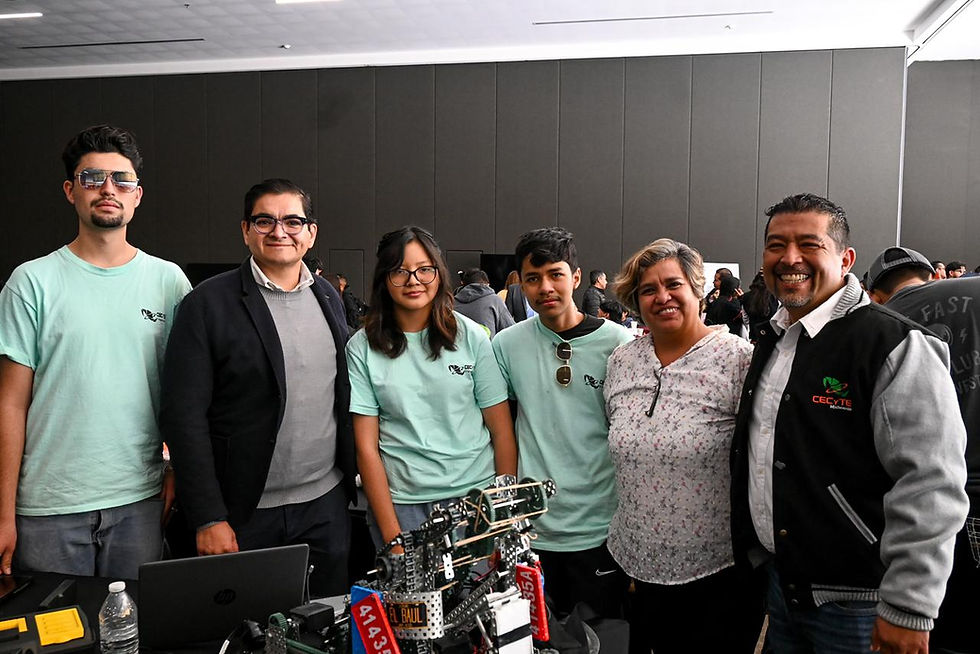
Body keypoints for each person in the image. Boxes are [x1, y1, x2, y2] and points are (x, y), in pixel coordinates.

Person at [730, 193, 968, 653]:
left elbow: (931, 482)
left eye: (809, 244)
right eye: (776, 245)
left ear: (846, 259)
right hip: (785, 587)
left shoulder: (895, 345)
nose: (789, 258)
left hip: (859, 603)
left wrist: (910, 605)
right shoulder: (775, 338)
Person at [0, 124, 191, 578]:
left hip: (139, 502)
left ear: (137, 195)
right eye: (92, 178)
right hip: (48, 507)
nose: (108, 189)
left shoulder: (169, 282)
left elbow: (184, 396)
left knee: (135, 623)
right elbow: (10, 403)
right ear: (71, 191)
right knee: (52, 626)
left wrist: (177, 472)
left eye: (121, 180)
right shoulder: (32, 282)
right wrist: (3, 513)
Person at [160, 178, 356, 596]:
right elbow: (183, 416)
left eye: (292, 221)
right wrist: (209, 517)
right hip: (242, 515)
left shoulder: (327, 296)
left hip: (324, 506)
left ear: (311, 233)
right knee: (245, 626)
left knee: (326, 621)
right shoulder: (207, 304)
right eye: (264, 220)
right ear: (245, 230)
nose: (279, 231)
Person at [604, 239, 763, 653]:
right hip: (633, 564)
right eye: (648, 290)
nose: (662, 297)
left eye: (673, 284)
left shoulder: (739, 360)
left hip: (716, 573)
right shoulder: (621, 361)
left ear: (698, 288)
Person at [345, 227, 517, 548]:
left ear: (439, 274)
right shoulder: (362, 347)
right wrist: (393, 539)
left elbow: (502, 431)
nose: (414, 280)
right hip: (402, 506)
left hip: (476, 501)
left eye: (425, 269)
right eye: (400, 271)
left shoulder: (472, 336)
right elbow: (366, 448)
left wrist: (502, 514)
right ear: (384, 278)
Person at [492, 227, 632, 618]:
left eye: (556, 274)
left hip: (601, 529)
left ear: (576, 276)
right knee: (535, 639)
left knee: (601, 636)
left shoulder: (618, 344)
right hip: (531, 531)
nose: (545, 287)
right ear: (521, 284)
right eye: (533, 278)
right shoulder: (506, 345)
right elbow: (501, 432)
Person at [865, 246, 980, 654]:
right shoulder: (974, 290)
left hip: (940, 503)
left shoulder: (881, 324)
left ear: (875, 294)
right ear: (931, 275)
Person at [453, 268, 515, 337]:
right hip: (487, 343)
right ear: (487, 284)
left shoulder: (452, 303)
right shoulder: (494, 300)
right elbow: (511, 330)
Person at [740, 271, 779, 342]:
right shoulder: (776, 297)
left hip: (755, 338)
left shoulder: (745, 297)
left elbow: (745, 320)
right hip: (773, 337)